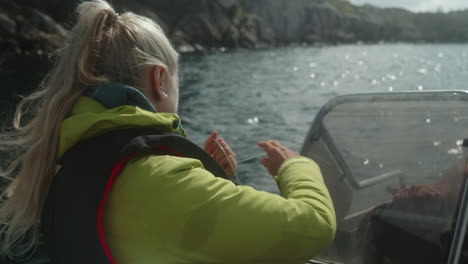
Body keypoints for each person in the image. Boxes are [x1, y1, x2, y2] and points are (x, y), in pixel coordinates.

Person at [0, 1, 336, 263]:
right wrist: (298, 166)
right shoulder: (162, 180)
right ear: (160, 80)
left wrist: (219, 182)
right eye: (178, 78)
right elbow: (313, 226)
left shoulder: (53, 164)